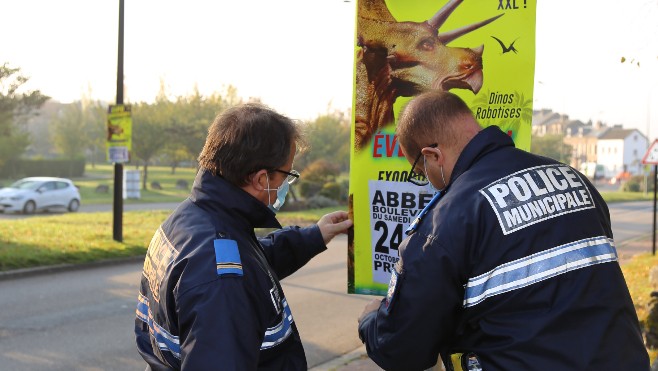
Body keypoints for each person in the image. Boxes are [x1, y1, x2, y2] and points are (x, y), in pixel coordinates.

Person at [357, 91, 650, 370]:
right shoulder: (574, 180)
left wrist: (370, 320)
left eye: (421, 172)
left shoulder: (444, 222)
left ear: (433, 155)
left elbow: (403, 349)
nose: (429, 181)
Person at [134, 103, 353, 370]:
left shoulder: (190, 218)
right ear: (262, 179)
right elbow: (232, 276)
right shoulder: (223, 282)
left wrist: (315, 236)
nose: (286, 185)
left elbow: (252, 261)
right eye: (287, 174)